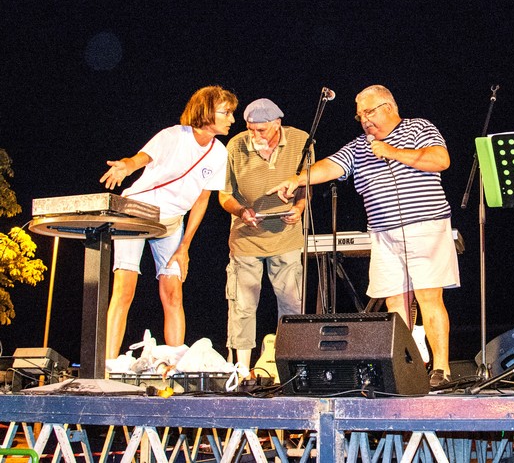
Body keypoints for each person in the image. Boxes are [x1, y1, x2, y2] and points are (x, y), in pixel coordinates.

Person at [268, 85, 460, 388]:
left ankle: (441, 369)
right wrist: (297, 179)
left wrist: (392, 152)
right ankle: (408, 369)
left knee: (428, 296)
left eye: (369, 112)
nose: (364, 120)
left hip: (425, 225)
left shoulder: (418, 128)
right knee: (394, 301)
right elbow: (331, 165)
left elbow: (440, 159)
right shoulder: (360, 146)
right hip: (383, 232)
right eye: (360, 116)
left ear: (389, 107)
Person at [100, 85, 237, 361]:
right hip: (137, 213)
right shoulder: (173, 136)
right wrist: (126, 166)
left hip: (172, 223)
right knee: (124, 288)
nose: (232, 119)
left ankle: (174, 365)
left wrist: (184, 246)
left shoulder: (219, 153)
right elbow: (140, 159)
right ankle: (107, 364)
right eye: (226, 112)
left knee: (173, 292)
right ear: (206, 112)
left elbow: (202, 200)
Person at [218, 98, 311, 373]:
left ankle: (291, 369)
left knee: (292, 304)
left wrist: (298, 208)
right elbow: (224, 195)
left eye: (261, 130)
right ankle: (241, 370)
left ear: (277, 124)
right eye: (250, 129)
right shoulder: (235, 145)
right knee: (243, 306)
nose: (255, 135)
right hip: (246, 238)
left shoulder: (301, 140)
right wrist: (241, 211)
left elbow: (306, 183)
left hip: (286, 237)